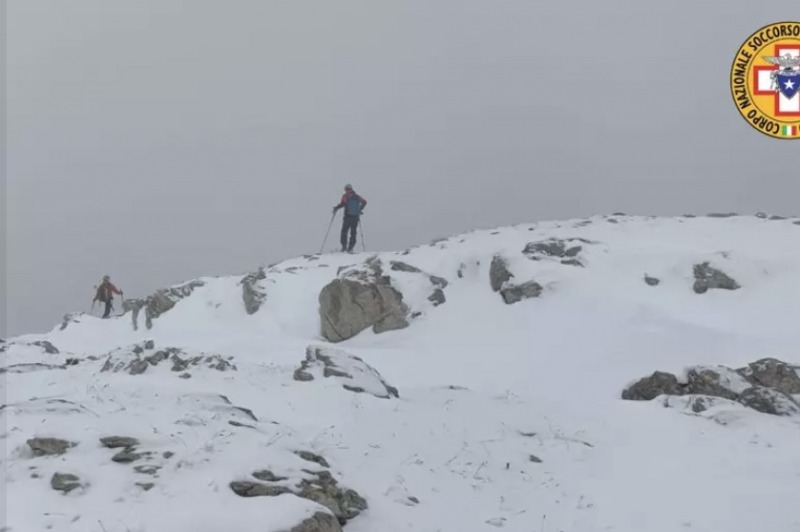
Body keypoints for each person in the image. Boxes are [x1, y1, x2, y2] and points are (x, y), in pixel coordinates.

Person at [332, 184, 367, 253]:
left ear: (346, 189)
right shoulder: (357, 197)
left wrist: (336, 208)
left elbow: (342, 204)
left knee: (344, 231)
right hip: (355, 218)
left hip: (347, 217)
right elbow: (365, 202)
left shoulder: (345, 196)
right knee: (353, 233)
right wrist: (360, 209)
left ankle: (344, 247)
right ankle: (350, 248)